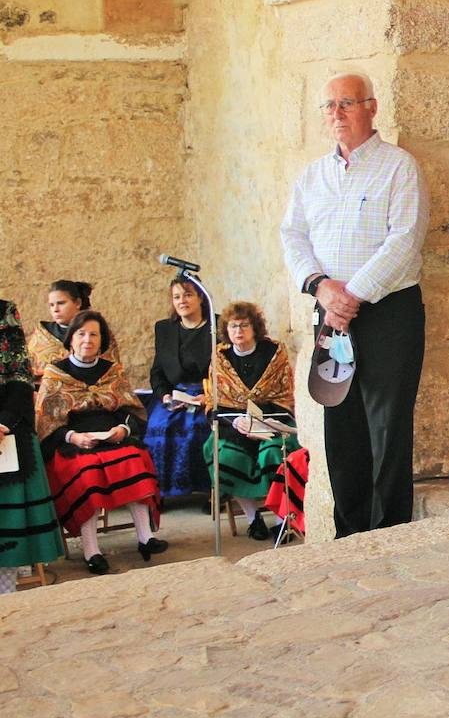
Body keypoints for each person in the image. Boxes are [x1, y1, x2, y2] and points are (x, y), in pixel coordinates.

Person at [280, 70, 429, 537]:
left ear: (371, 107)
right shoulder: (313, 176)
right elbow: (293, 235)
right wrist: (320, 286)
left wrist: (350, 295)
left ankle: (389, 532)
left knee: (386, 424)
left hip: (388, 313)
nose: (337, 113)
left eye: (347, 103)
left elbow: (404, 241)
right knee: (340, 424)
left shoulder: (399, 167)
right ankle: (349, 534)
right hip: (331, 315)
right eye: (329, 106)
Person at [36, 311, 166, 575]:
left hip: (112, 436)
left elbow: (132, 409)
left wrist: (122, 428)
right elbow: (46, 422)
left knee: (134, 460)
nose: (87, 340)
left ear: (102, 340)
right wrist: (73, 437)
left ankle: (145, 538)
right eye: (81, 334)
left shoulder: (112, 371)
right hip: (72, 442)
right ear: (71, 339)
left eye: (94, 334)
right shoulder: (55, 373)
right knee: (88, 473)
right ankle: (91, 551)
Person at [203, 302, 298, 541]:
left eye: (244, 325)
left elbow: (285, 394)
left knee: (274, 454)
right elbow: (213, 404)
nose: (239, 331)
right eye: (233, 326)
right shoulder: (220, 358)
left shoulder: (274, 352)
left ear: (255, 327)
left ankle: (281, 519)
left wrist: (263, 421)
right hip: (235, 426)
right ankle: (253, 517)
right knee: (226, 457)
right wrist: (235, 421)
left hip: (271, 422)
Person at [0, 300, 64, 594]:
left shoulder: (4, 312)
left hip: (4, 423)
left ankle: (6, 592)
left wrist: (5, 422)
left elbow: (19, 373)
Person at [144, 277, 214, 497]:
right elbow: (157, 372)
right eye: (176, 296)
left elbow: (228, 370)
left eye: (188, 294)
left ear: (201, 297)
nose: (182, 301)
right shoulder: (165, 329)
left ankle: (210, 491)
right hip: (175, 395)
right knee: (159, 426)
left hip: (208, 393)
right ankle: (163, 491)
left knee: (198, 428)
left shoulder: (216, 326)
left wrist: (209, 396)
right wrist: (164, 396)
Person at [27, 279, 121, 379]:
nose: (55, 309)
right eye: (51, 305)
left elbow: (111, 372)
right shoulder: (43, 334)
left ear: (78, 303)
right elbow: (28, 370)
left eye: (61, 303)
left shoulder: (98, 331)